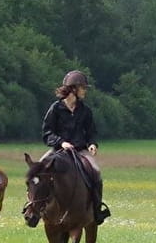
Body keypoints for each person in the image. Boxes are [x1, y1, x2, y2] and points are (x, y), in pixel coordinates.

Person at [41, 69, 109, 224]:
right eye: (83, 88)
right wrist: (61, 142)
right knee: (37, 169)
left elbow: (91, 132)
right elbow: (47, 133)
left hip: (80, 151)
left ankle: (97, 210)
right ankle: (34, 208)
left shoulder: (85, 110)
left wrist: (92, 144)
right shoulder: (55, 109)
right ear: (73, 89)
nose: (85, 91)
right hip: (58, 150)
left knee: (96, 172)